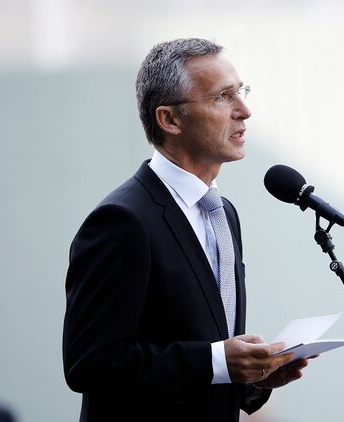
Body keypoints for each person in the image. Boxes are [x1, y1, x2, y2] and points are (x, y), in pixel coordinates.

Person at [63, 38, 310, 422]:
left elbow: (204, 353)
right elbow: (89, 363)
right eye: (222, 97)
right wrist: (218, 361)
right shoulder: (122, 221)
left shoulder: (223, 213)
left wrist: (254, 377)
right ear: (170, 120)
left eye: (240, 92)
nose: (244, 110)